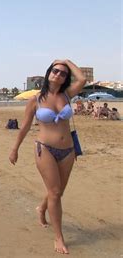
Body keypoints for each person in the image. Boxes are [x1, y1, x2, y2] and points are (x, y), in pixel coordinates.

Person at [9, 59, 86, 254]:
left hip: (68, 150)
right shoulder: (35, 100)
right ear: (49, 73)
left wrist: (66, 61)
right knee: (55, 192)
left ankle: (41, 209)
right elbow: (25, 126)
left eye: (63, 73)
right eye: (55, 70)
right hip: (45, 149)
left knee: (57, 191)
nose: (58, 74)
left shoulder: (67, 95)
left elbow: (83, 78)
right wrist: (15, 148)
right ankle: (58, 237)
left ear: (65, 78)